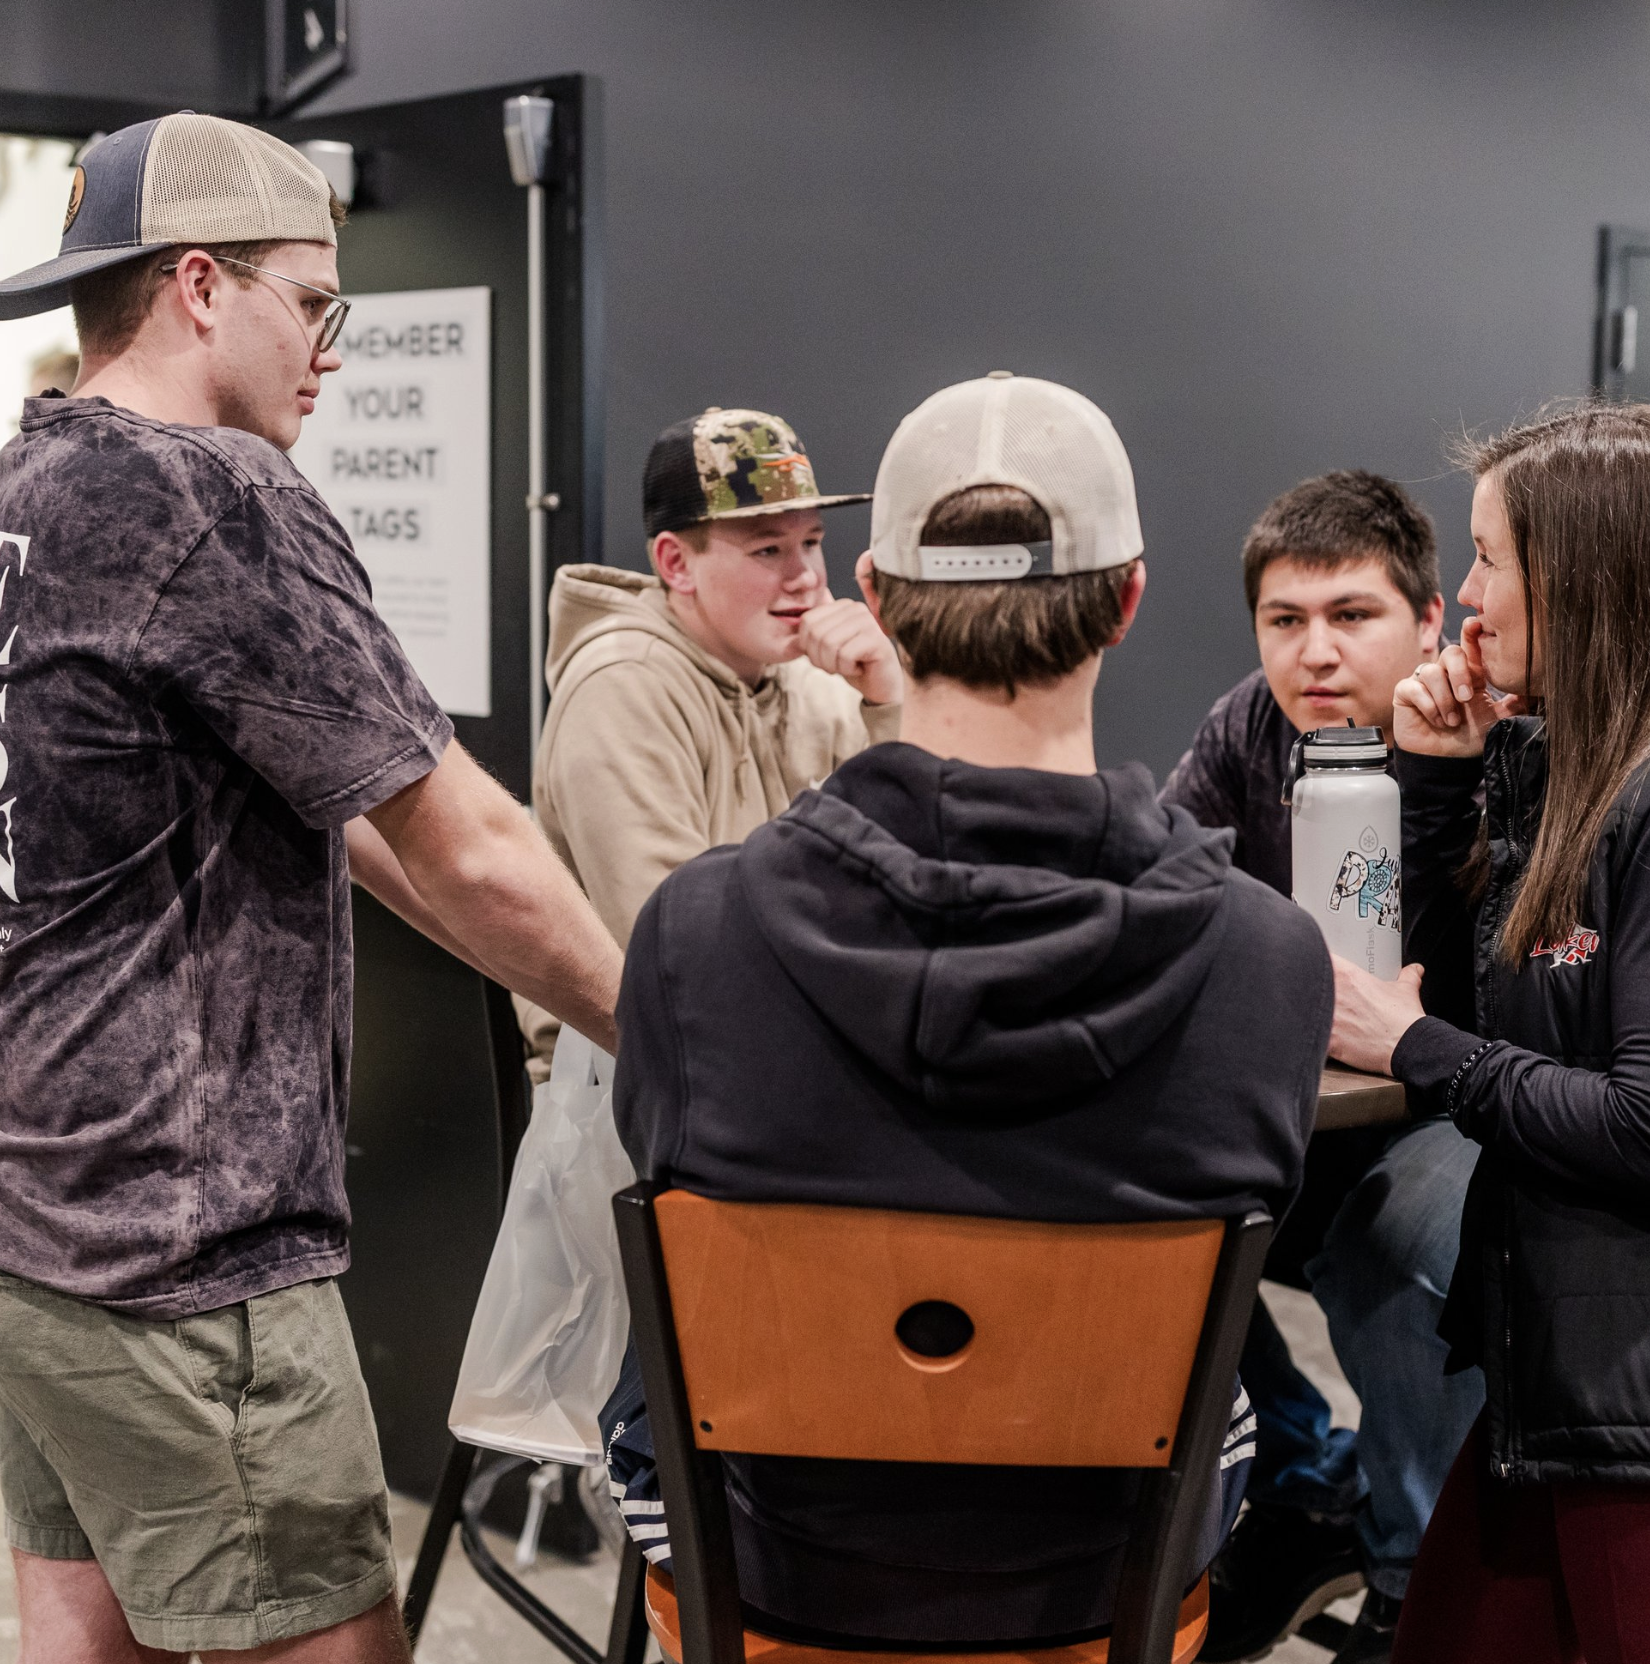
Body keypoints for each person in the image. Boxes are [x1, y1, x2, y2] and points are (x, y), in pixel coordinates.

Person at [0, 113, 624, 1663]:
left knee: (85, 1628)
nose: (332, 347)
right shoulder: (216, 496)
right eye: (315, 299)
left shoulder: (28, 492)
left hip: (32, 1214)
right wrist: (673, 1029)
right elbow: (463, 837)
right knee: (331, 1645)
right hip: (180, 1249)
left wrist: (505, 954)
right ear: (202, 286)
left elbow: (333, 801)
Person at [601, 372, 1333, 1646]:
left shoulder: (691, 937)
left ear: (875, 597)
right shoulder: (1271, 962)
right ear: (1128, 598)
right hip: (1109, 1590)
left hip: (774, 1584)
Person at [1333, 402, 1650, 1663]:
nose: (1466, 596)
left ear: (1583, 578)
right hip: (1567, 1381)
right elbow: (1478, 1011)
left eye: (1488, 557)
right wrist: (1429, 778)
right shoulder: (1574, 769)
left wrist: (1418, 1046)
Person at [1161, 472, 1481, 1663]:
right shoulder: (1250, 724)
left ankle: (1413, 1581)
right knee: (1143, 1196)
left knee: (1398, 1241)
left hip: (1457, 1100)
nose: (1316, 652)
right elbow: (1167, 886)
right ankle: (1306, 1479)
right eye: (1286, 620)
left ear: (1431, 616)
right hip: (1305, 1107)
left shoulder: (1503, 737)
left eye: (1352, 614)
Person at [514, 407, 901, 1079]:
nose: (806, 575)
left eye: (811, 541)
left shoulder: (816, 677)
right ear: (675, 564)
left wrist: (890, 701)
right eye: (767, 549)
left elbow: (923, 882)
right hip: (646, 1081)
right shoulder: (622, 688)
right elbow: (681, 955)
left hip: (804, 1045)